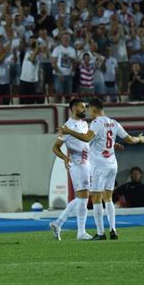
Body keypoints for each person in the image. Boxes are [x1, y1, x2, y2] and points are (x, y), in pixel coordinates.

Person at [59, 98, 144, 240]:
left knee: (96, 198)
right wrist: (139, 139)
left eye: (89, 109)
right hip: (112, 165)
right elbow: (129, 139)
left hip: (99, 166)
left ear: (94, 109)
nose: (87, 111)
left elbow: (87, 139)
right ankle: (113, 230)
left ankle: (100, 233)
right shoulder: (114, 122)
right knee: (109, 198)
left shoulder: (96, 123)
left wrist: (69, 131)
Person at [50, 99, 93, 241]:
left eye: (85, 107)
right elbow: (55, 147)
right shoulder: (67, 127)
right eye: (82, 107)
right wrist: (64, 157)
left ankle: (58, 223)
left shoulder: (84, 123)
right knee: (84, 197)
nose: (85, 109)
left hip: (87, 163)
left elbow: (86, 141)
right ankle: (81, 232)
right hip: (77, 164)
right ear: (73, 108)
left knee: (82, 197)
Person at [52, 33, 76, 102]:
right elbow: (53, 63)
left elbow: (74, 62)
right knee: (58, 94)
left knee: (68, 95)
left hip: (69, 75)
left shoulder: (72, 50)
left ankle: (67, 111)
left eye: (67, 38)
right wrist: (59, 73)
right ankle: (56, 110)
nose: (66, 39)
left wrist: (73, 71)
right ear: (61, 39)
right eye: (64, 38)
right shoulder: (57, 49)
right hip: (58, 75)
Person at [19, 38, 41, 104]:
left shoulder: (39, 56)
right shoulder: (28, 53)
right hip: (24, 80)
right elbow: (31, 58)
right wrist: (36, 47)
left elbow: (33, 58)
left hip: (33, 81)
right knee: (23, 102)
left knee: (31, 102)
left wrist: (37, 48)